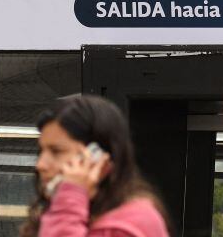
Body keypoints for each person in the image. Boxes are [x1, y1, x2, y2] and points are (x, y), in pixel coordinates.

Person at [22, 95, 169, 237]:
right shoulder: (66, 210)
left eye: (57, 151)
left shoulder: (132, 223)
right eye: (41, 151)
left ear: (97, 156)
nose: (40, 164)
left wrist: (69, 200)